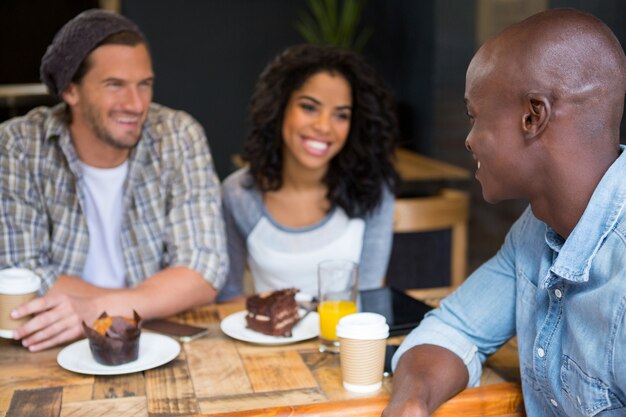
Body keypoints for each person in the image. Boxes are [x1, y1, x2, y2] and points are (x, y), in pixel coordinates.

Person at [383, 8, 626, 417]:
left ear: (533, 116)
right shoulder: (535, 230)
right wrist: (412, 403)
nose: (468, 140)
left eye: (475, 117)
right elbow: (454, 329)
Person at [0, 9, 228, 352]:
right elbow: (20, 271)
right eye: (115, 85)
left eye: (144, 84)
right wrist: (148, 300)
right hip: (54, 344)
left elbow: (204, 268)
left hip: (161, 342)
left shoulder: (179, 134)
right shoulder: (18, 145)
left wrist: (96, 309)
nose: (136, 104)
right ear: (70, 91)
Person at [218, 44, 398, 301]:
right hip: (271, 338)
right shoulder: (239, 194)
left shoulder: (373, 188)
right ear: (280, 108)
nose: (324, 126)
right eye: (309, 107)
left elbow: (369, 295)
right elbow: (228, 296)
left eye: (341, 115)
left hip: (347, 339)